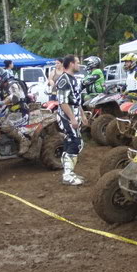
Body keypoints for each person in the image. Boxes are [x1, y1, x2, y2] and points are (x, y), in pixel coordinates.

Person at [56, 55, 89, 186]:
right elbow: (63, 102)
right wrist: (72, 119)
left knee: (71, 143)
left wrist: (83, 115)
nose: (79, 65)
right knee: (75, 143)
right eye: (77, 63)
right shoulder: (64, 80)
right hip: (66, 116)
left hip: (73, 115)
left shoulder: (73, 79)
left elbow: (76, 100)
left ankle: (68, 172)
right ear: (71, 64)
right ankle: (68, 175)